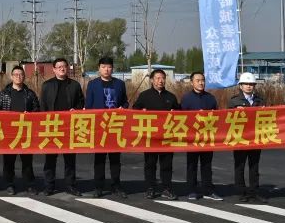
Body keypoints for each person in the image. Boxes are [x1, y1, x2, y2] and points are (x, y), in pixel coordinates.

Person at [133, 68, 181, 200]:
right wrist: (141, 111)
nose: (161, 81)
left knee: (167, 164)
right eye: (158, 78)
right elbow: (134, 110)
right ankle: (150, 188)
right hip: (150, 137)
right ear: (152, 80)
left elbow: (180, 114)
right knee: (150, 164)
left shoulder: (171, 97)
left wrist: (175, 112)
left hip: (166, 137)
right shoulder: (144, 95)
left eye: (163, 78)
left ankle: (167, 188)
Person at [39, 57, 84, 196]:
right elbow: (43, 105)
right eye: (59, 67)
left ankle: (70, 185)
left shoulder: (75, 85)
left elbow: (81, 102)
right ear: (54, 69)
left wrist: (75, 110)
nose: (62, 68)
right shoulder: (47, 85)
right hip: (52, 126)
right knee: (50, 158)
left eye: (64, 66)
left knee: (70, 158)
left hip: (69, 126)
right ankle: (49, 186)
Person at [85, 56, 128, 198]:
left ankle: (116, 185)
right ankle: (99, 187)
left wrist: (124, 107)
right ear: (99, 68)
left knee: (115, 159)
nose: (106, 69)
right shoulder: (92, 85)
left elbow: (125, 102)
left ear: (112, 68)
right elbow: (89, 106)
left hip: (115, 126)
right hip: (99, 127)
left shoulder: (120, 84)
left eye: (109, 67)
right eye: (103, 67)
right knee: (99, 159)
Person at [0, 65, 41, 195]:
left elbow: (37, 110)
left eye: (21, 74)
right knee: (9, 161)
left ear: (24, 77)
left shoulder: (30, 94)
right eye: (15, 74)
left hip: (25, 133)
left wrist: (31, 114)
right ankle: (9, 184)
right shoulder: (4, 94)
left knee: (27, 161)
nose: (18, 77)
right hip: (9, 133)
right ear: (11, 76)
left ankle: (30, 184)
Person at [180, 71, 223, 200]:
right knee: (192, 164)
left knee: (207, 165)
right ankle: (192, 190)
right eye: (198, 80)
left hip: (207, 137)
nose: (201, 82)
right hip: (192, 137)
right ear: (192, 82)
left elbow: (218, 116)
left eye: (203, 80)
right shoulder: (186, 98)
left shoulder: (210, 98)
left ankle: (208, 190)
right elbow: (181, 118)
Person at [226, 72, 266, 203]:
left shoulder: (260, 100)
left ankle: (254, 191)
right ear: (241, 86)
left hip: (255, 137)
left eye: (251, 84)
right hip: (240, 138)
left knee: (254, 166)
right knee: (240, 166)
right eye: (246, 84)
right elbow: (226, 118)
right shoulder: (234, 101)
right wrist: (234, 112)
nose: (249, 86)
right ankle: (241, 192)